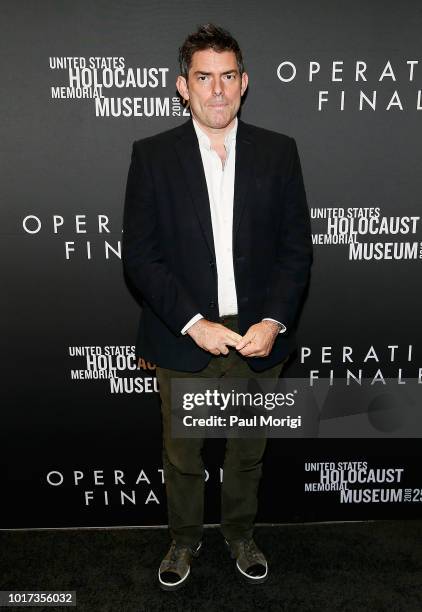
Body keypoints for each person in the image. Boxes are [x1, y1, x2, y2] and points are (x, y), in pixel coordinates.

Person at [122, 23, 312, 591]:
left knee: (246, 453)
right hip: (184, 338)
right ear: (184, 86)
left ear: (244, 81)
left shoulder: (280, 152)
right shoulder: (152, 156)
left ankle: (239, 533)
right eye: (204, 77)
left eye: (228, 76)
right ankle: (183, 539)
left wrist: (274, 320)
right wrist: (194, 323)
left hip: (259, 338)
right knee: (182, 457)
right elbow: (141, 257)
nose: (218, 90)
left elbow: (295, 250)